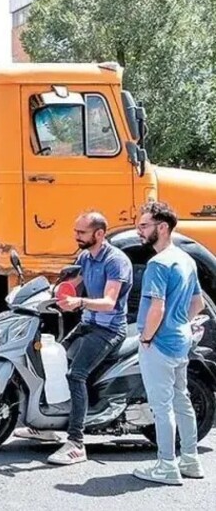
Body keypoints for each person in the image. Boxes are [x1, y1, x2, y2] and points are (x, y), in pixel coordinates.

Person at [14, 211, 133, 465]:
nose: (76, 236)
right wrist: (50, 294)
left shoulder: (116, 261)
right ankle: (46, 425)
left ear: (99, 234)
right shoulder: (85, 257)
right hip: (88, 323)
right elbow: (71, 282)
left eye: (81, 232)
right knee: (49, 363)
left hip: (108, 328)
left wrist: (79, 302)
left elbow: (110, 302)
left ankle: (77, 444)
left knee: (75, 375)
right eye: (76, 231)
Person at [132, 201, 206, 485]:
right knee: (181, 399)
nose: (139, 231)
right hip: (180, 340)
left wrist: (147, 337)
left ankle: (166, 466)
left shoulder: (158, 264)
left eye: (144, 226)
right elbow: (197, 303)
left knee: (162, 407)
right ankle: (190, 459)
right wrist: (178, 324)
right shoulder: (185, 259)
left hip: (160, 344)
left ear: (162, 227)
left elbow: (156, 308)